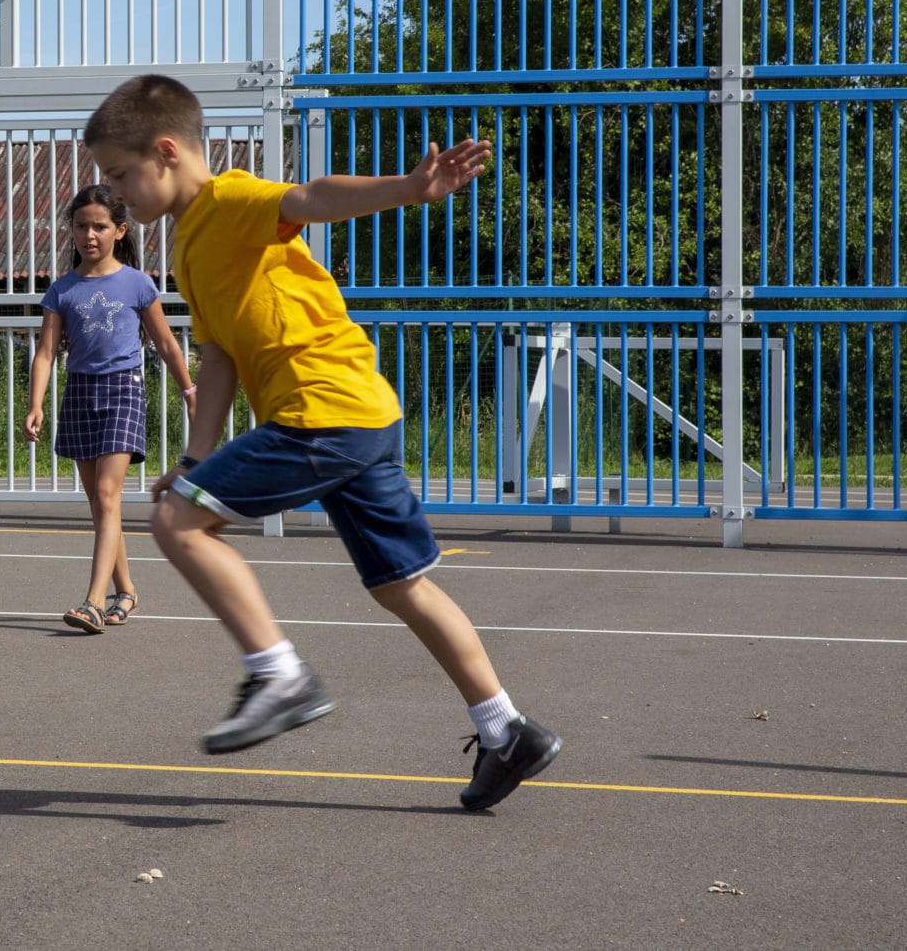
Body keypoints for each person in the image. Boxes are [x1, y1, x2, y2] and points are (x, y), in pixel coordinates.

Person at [82, 75, 560, 811]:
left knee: (177, 522)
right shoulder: (185, 248)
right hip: (362, 412)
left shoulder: (227, 200)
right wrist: (195, 458)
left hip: (324, 407)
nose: (115, 192)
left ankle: (278, 673)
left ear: (168, 151)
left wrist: (409, 185)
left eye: (120, 174)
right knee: (401, 583)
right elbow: (220, 356)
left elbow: (311, 198)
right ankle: (506, 729)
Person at [23, 184, 197, 634]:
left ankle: (93, 602)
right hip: (79, 392)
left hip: (124, 389)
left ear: (120, 230)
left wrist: (189, 390)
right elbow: (46, 353)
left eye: (99, 226)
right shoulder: (62, 289)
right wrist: (36, 403)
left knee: (107, 496)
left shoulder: (137, 283)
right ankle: (127, 591)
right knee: (100, 506)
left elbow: (163, 342)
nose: (90, 235)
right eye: (81, 226)